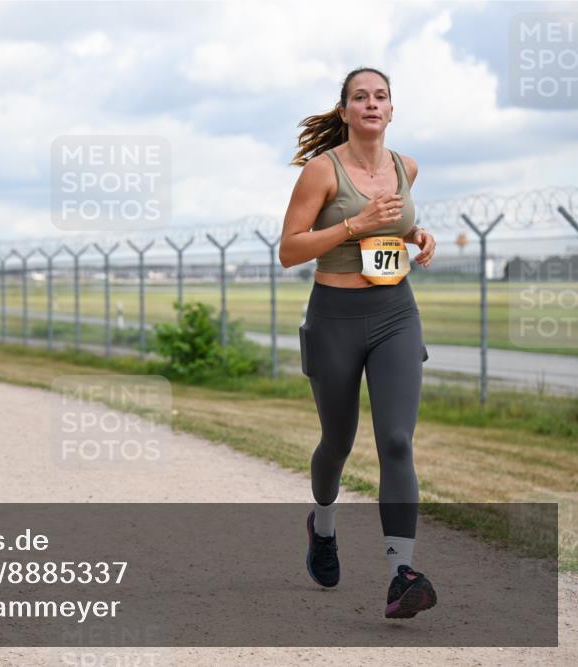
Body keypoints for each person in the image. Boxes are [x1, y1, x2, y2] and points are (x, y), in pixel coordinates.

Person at [279, 67, 437, 619]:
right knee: (337, 442)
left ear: (391, 110)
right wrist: (356, 223)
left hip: (396, 313)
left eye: (381, 96)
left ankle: (401, 573)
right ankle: (322, 526)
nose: (371, 103)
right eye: (360, 97)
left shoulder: (406, 167)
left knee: (396, 440)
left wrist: (416, 234)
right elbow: (290, 250)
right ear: (344, 110)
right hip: (335, 318)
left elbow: (392, 227)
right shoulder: (322, 171)